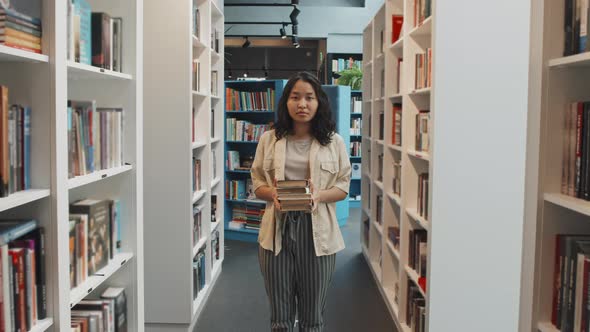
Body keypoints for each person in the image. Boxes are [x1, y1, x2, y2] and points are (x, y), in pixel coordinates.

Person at [250, 72, 351, 331]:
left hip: (318, 231)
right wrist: (272, 194)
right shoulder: (268, 139)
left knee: (313, 316)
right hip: (277, 231)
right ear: (286, 102)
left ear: (319, 103)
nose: (302, 104)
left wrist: (318, 196)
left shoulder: (333, 142)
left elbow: (342, 187)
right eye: (295, 97)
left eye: (309, 98)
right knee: (280, 317)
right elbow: (258, 183)